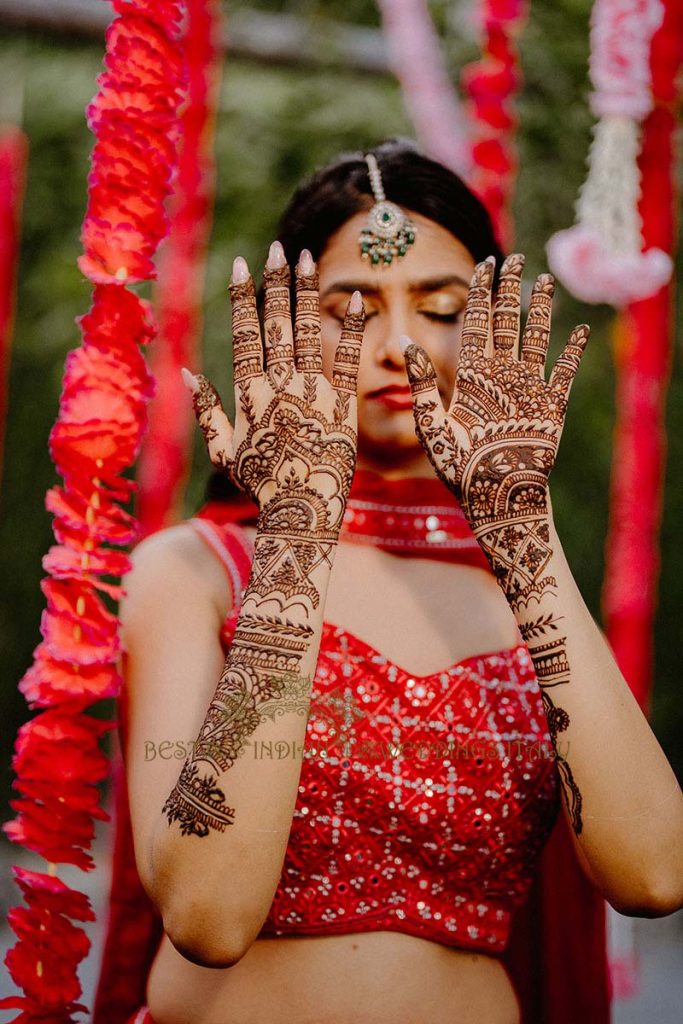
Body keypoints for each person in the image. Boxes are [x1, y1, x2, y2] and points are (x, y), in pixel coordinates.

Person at [93, 139, 683, 1024]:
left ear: (491, 326)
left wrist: (521, 529)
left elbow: (655, 875)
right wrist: (298, 533)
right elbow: (207, 917)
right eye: (351, 310)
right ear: (288, 329)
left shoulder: (520, 589)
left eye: (441, 308)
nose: (401, 345)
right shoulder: (198, 572)